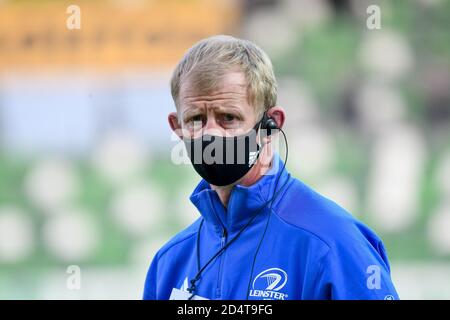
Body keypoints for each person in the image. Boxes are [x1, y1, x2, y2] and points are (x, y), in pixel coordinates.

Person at [143, 35, 399, 300]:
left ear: (270, 124)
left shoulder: (334, 244)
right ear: (177, 127)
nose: (211, 134)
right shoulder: (169, 264)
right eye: (196, 118)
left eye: (228, 118)